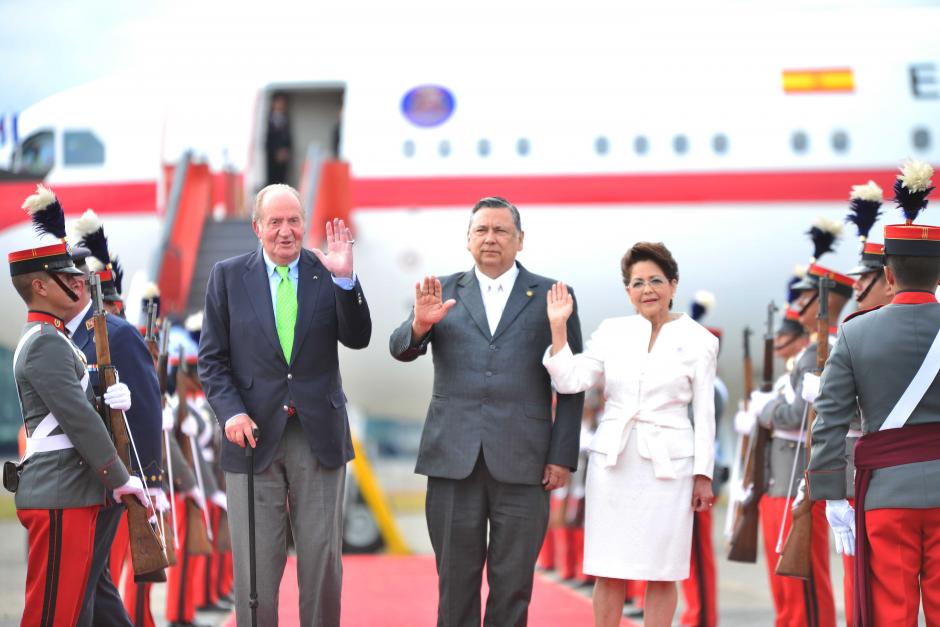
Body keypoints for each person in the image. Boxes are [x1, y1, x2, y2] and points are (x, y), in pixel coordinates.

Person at [389, 196, 584, 627]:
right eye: (481, 230)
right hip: (452, 459)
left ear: (520, 240)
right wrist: (420, 325)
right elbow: (400, 348)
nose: (490, 238)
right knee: (455, 584)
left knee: (512, 586)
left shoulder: (552, 295)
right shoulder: (441, 291)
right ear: (468, 239)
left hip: (525, 461)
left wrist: (562, 456)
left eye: (500, 230)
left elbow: (572, 384)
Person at [199, 183, 371, 627]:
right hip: (252, 437)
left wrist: (345, 280)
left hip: (318, 437)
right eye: (275, 222)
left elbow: (358, 337)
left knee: (322, 562)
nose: (285, 230)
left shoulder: (326, 271)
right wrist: (231, 412)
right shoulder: (227, 276)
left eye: (293, 220)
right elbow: (212, 361)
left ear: (304, 224)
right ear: (257, 227)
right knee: (255, 570)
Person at [543, 241, 717, 627]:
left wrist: (702, 475)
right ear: (628, 292)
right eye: (638, 283)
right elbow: (571, 380)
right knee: (609, 567)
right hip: (614, 461)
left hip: (669, 466)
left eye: (656, 280)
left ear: (673, 284)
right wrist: (558, 328)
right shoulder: (612, 332)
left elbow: (705, 414)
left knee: (663, 569)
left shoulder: (701, 340)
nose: (647, 290)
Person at [807, 160, 940, 626]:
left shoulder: (855, 333)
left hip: (886, 496)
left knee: (891, 614)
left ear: (888, 276)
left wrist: (831, 495)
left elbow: (829, 420)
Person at [7, 185, 147, 626]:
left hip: (70, 491)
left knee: (74, 612)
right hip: (60, 493)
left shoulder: (55, 339)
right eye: (63, 277)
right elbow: (78, 419)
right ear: (38, 286)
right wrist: (120, 477)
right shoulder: (46, 343)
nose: (75, 281)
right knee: (54, 615)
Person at [68, 210, 166, 627]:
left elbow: (145, 408)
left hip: (109, 478)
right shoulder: (67, 336)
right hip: (80, 477)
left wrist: (150, 480)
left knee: (85, 581)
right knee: (97, 582)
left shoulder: (119, 335)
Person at [265, 93, 292, 186]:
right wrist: (275, 152)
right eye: (279, 102)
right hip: (271, 159)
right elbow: (267, 138)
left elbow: (288, 138)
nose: (281, 105)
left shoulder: (286, 119)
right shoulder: (268, 119)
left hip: (283, 159)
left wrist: (286, 151)